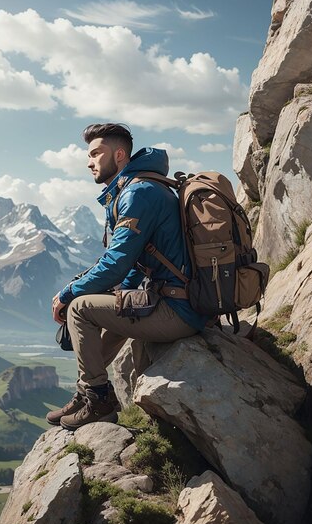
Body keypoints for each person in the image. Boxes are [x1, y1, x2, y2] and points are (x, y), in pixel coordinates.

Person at [47, 123, 208, 430]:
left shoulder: (138, 194)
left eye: (96, 153)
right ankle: (88, 391)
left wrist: (67, 293)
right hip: (179, 300)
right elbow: (136, 263)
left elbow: (116, 264)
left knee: (80, 309)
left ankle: (98, 402)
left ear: (119, 155)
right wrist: (118, 293)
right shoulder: (139, 187)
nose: (89, 162)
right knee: (115, 302)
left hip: (179, 310)